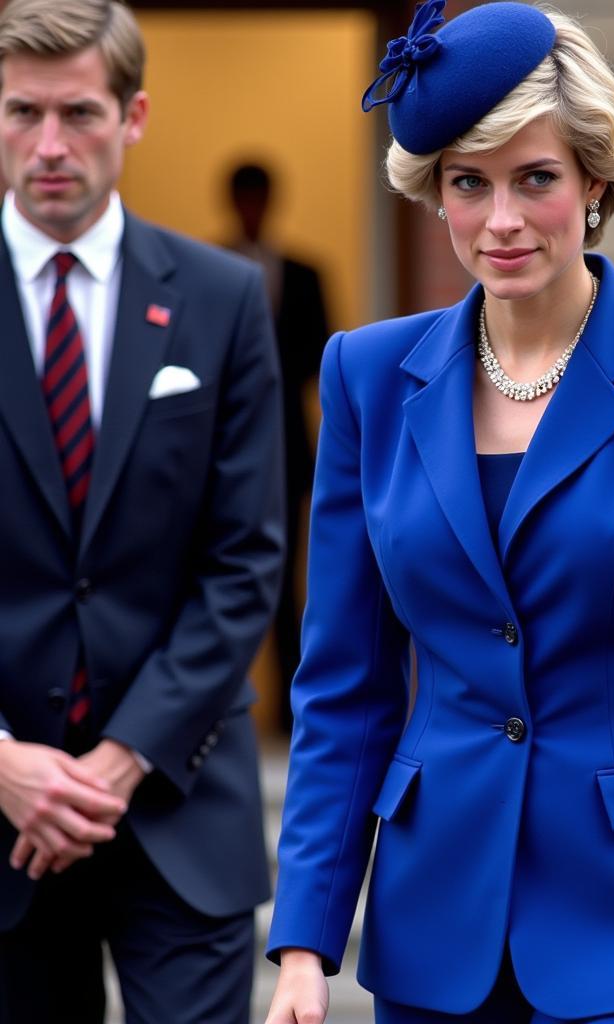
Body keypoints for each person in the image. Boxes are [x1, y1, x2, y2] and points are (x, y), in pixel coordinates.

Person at [265, 4, 614, 1023]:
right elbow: (343, 683)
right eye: (468, 184)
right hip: (435, 923)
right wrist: (305, 939)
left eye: (536, 179)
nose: (502, 221)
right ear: (434, 192)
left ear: (595, 184)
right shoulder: (367, 376)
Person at [0, 2, 285, 1023]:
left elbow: (246, 558)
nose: (49, 147)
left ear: (135, 117)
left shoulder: (221, 297)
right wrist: (3, 764)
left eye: (78, 113)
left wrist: (117, 764)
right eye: (20, 113)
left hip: (177, 801)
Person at [225, 160, 330, 729]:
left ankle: (289, 718)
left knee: (289, 582)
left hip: (288, 448)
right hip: (218, 451)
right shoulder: (208, 268)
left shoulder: (303, 272)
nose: (252, 211)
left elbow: (320, 358)